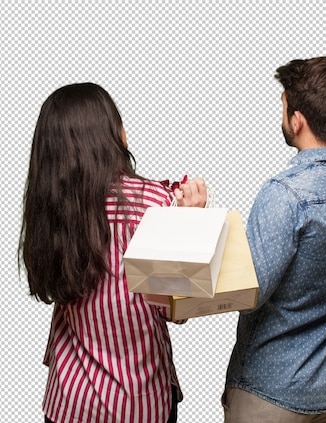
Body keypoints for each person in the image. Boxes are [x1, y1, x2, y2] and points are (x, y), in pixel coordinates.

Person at [19, 82, 207, 423]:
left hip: (68, 400)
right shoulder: (152, 204)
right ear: (113, 135)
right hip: (139, 404)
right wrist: (190, 224)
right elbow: (176, 310)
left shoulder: (50, 208)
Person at [222, 57, 326, 422]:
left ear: (297, 120)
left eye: (283, 108)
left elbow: (247, 295)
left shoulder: (285, 194)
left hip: (273, 395)